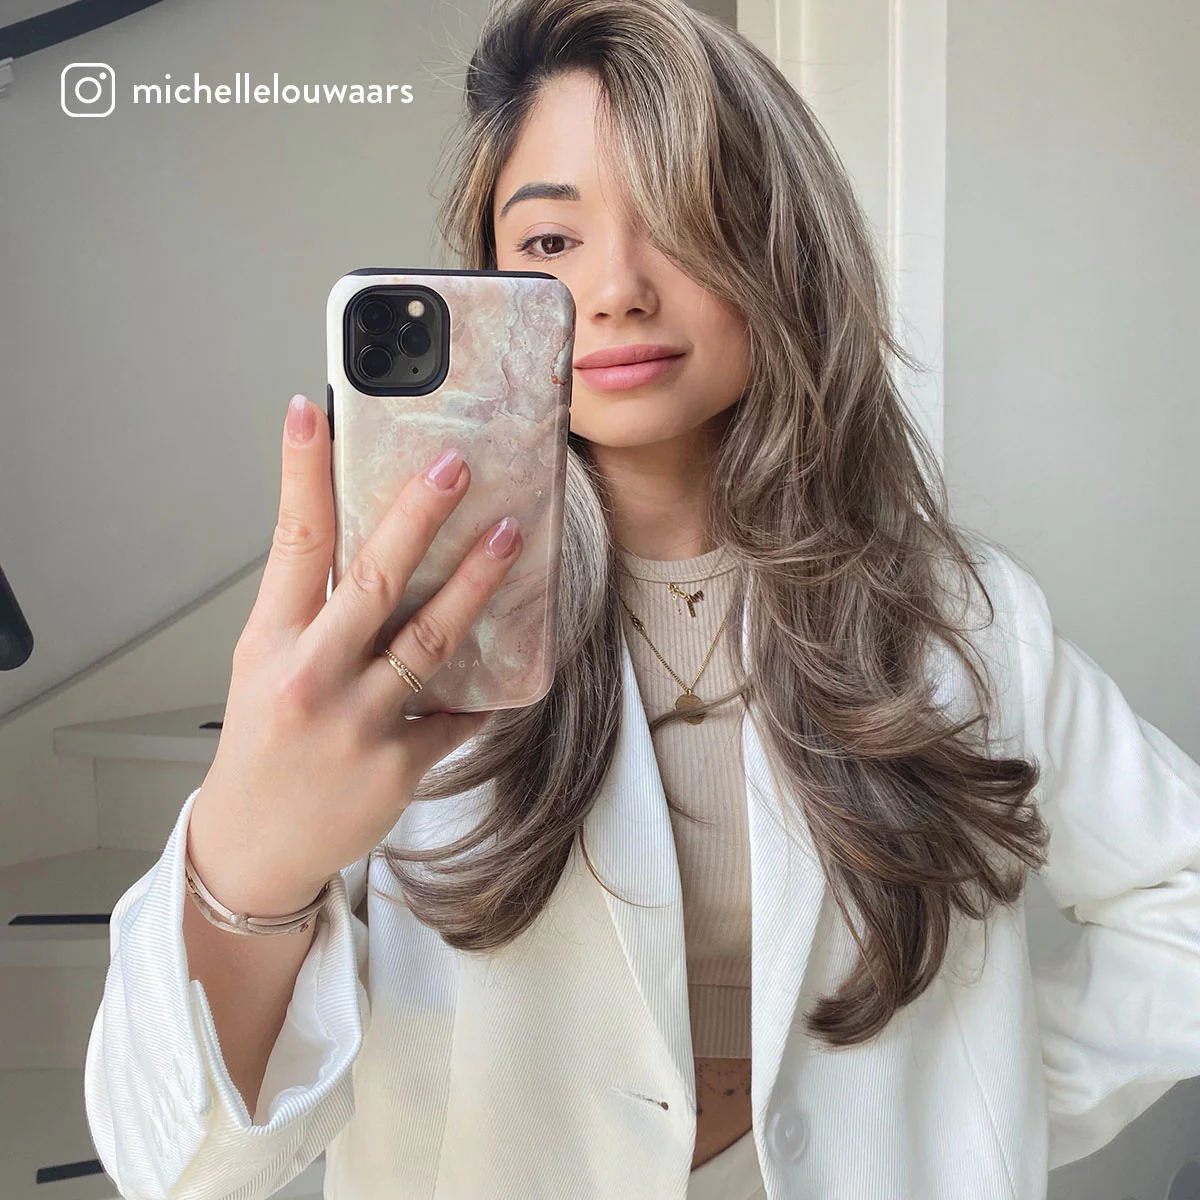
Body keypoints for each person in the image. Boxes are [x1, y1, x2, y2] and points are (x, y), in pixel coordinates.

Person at [83, 0, 1200, 1198]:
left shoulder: (961, 618)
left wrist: (984, 1111)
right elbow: (183, 1169)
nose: (614, 290)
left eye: (682, 220)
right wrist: (248, 867)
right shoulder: (397, 630)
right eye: (551, 242)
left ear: (784, 250)